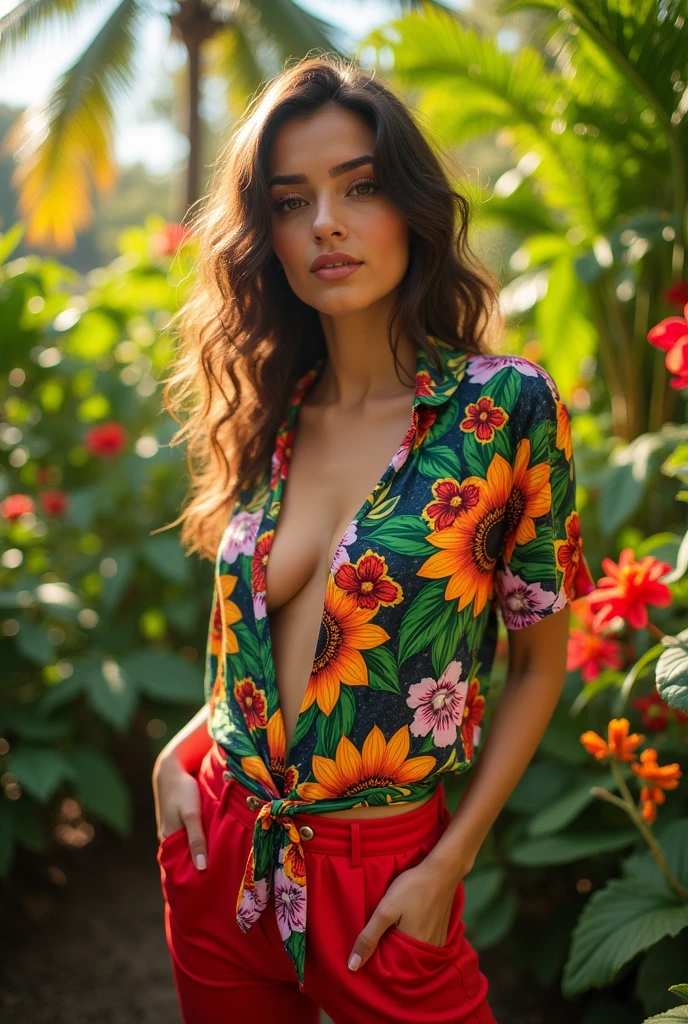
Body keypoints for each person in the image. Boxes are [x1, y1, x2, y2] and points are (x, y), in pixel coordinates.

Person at [151, 54, 595, 1024]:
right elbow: (256, 647)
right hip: (223, 846)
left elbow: (537, 664)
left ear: (412, 207)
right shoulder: (270, 410)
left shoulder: (504, 409)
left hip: (388, 880)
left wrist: (449, 861)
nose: (325, 225)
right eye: (289, 200)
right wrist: (173, 757)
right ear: (263, 233)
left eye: (358, 187)